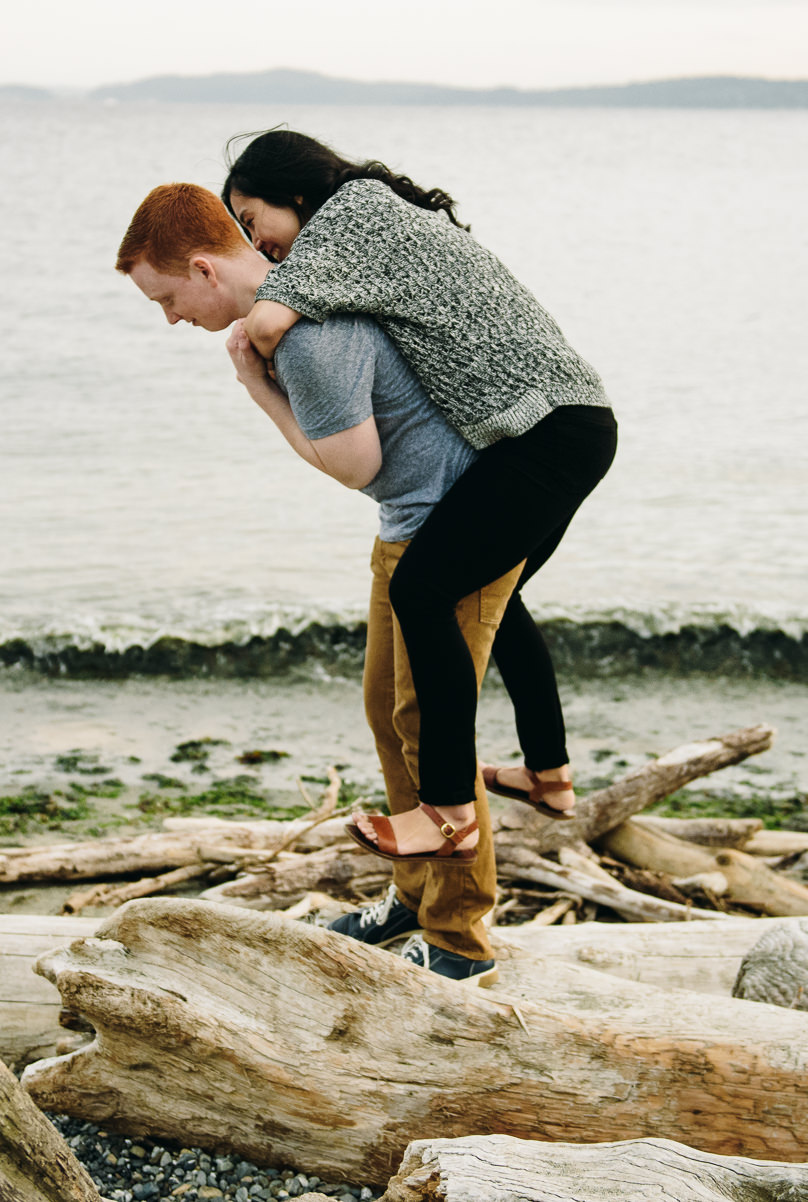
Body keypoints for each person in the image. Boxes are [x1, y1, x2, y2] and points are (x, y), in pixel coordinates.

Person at [115, 182, 520, 984]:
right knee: (387, 710)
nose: (168, 319)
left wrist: (260, 394)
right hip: (408, 527)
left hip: (458, 529)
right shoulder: (294, 301)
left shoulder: (306, 340)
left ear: (201, 268)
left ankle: (460, 938)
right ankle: (413, 894)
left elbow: (353, 465)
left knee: (432, 723)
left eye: (165, 299)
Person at [220, 131, 617, 862]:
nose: (259, 243)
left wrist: (256, 358)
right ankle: (549, 773)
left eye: (253, 220)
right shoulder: (376, 217)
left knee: (423, 589)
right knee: (496, 595)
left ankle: (447, 813)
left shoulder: (350, 215)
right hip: (570, 424)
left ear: (295, 192)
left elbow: (269, 322)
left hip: (545, 433)